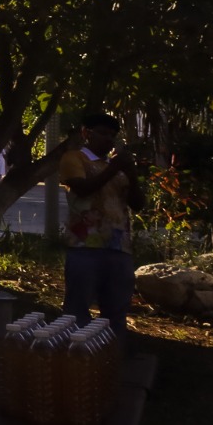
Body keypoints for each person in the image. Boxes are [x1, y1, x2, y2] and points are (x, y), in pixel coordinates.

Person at [59, 113, 145, 341]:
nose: (108, 139)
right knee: (78, 308)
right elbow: (82, 189)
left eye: (112, 136)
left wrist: (132, 175)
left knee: (117, 309)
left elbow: (138, 204)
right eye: (103, 133)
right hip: (84, 244)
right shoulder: (74, 158)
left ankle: (111, 353)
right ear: (86, 133)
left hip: (119, 246)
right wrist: (114, 167)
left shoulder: (115, 166)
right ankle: (75, 352)